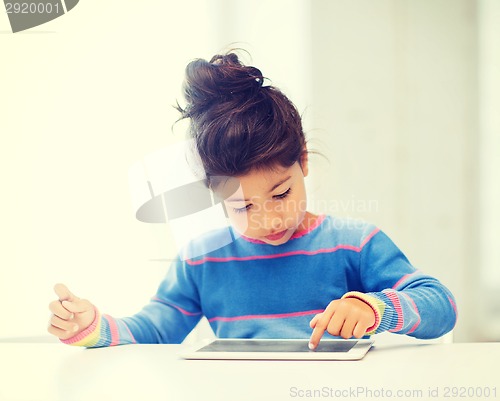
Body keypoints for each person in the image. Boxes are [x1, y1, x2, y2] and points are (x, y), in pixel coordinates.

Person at [47, 52, 457, 350]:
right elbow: (156, 329)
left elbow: (440, 304)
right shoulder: (202, 261)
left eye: (281, 193)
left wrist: (375, 308)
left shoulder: (353, 243)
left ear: (303, 163)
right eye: (242, 207)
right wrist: (95, 327)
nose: (269, 217)